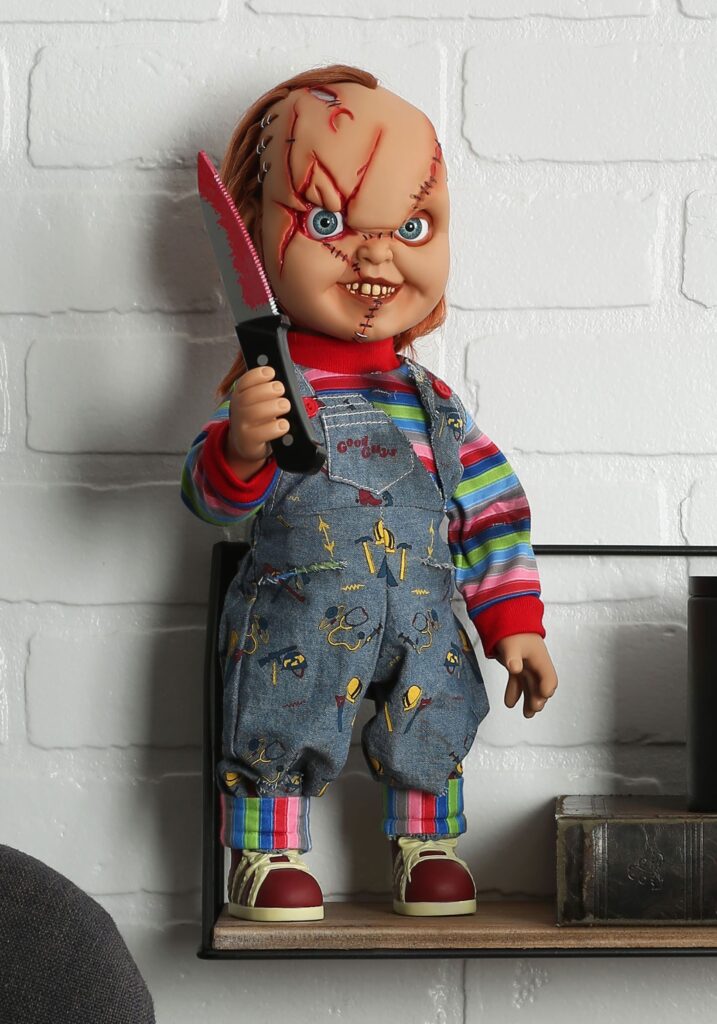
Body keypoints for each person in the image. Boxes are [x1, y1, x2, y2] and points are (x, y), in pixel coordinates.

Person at [182, 65, 558, 923]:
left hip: (424, 613)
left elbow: (490, 510)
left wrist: (515, 622)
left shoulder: (434, 405)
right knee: (280, 715)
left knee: (435, 711)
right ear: (255, 233)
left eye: (411, 226)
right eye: (327, 222)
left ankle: (426, 845)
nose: (377, 254)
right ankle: (265, 852)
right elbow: (212, 499)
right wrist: (242, 443)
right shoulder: (270, 387)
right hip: (297, 611)